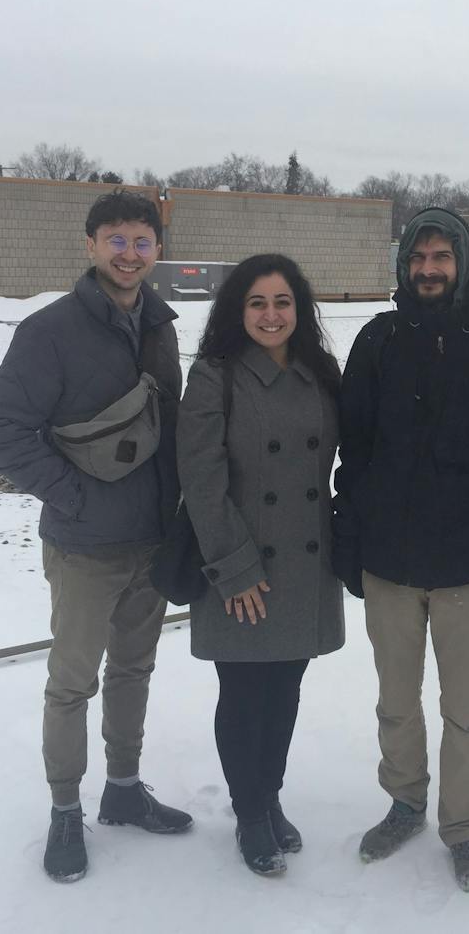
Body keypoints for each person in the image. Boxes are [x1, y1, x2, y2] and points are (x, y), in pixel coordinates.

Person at [332, 207, 469, 891]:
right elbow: (354, 452)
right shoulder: (376, 341)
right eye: (419, 259)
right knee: (395, 702)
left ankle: (463, 829)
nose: (429, 270)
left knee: (467, 711)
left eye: (442, 258)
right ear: (405, 266)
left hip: (468, 570)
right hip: (390, 568)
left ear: (464, 264)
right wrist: (351, 539)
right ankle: (404, 802)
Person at [0, 189, 193, 884]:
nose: (130, 254)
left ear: (157, 249)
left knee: (135, 669)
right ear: (91, 245)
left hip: (152, 541)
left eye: (142, 241)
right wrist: (72, 496)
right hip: (84, 548)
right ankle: (65, 808)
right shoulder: (50, 331)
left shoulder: (160, 325)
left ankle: (123, 789)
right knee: (72, 683)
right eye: (116, 240)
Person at [175, 254, 345, 876]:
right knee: (245, 692)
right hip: (239, 564)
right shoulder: (216, 376)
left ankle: (268, 796)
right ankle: (250, 813)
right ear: (236, 311)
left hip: (304, 563)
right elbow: (200, 479)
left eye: (282, 303)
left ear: (299, 310)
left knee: (286, 690)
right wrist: (234, 566)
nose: (271, 316)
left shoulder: (320, 372)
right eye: (257, 303)